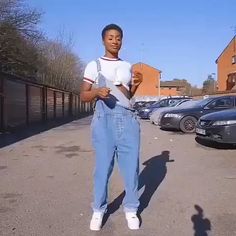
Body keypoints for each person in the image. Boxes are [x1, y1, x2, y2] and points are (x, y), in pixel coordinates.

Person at [80, 23, 143, 231]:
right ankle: (98, 210)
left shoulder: (127, 66)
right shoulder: (94, 65)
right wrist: (97, 92)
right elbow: (83, 95)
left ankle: (131, 209)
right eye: (111, 37)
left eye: (118, 37)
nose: (115, 41)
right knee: (103, 169)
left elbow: (128, 97)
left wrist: (136, 84)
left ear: (122, 41)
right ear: (103, 40)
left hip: (127, 120)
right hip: (103, 121)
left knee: (131, 168)